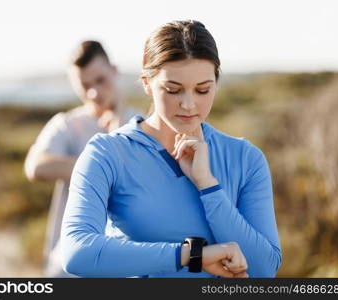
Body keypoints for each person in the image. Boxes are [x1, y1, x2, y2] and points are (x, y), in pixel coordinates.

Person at [60, 20, 282, 278]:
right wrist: (192, 256)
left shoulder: (245, 158)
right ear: (147, 83)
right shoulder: (106, 154)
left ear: (216, 83)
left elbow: (265, 270)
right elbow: (77, 252)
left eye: (202, 90)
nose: (188, 104)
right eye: (173, 90)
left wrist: (208, 186)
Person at [24, 40, 135, 277]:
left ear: (114, 72)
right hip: (68, 264)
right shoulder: (66, 123)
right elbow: (36, 167)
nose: (93, 92)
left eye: (100, 80)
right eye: (84, 85)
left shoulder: (141, 123)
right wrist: (99, 167)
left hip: (124, 264)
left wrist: (118, 125)